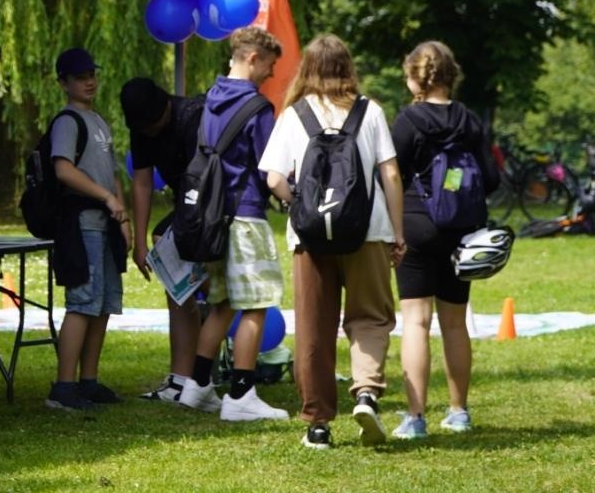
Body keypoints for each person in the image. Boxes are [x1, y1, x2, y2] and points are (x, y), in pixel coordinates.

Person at [259, 33, 405, 449]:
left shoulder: (294, 115)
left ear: (307, 68)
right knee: (370, 317)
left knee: (313, 328)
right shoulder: (370, 112)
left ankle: (318, 424)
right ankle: (365, 392)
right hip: (368, 231)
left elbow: (273, 178)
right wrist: (398, 231)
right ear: (348, 68)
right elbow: (390, 174)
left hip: (311, 237)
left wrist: (298, 205)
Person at [177, 27, 290, 422]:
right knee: (257, 303)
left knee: (222, 304)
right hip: (245, 214)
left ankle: (198, 385)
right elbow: (268, 166)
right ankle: (241, 393)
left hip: (213, 217)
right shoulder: (258, 108)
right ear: (253, 58)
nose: (271, 75)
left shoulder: (211, 98)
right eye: (270, 66)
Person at [389, 40, 501, 440]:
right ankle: (458, 411)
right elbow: (490, 178)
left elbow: (391, 176)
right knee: (455, 323)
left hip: (417, 225)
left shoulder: (408, 121)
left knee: (416, 322)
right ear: (450, 74)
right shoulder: (470, 120)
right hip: (462, 230)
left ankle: (415, 417)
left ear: (416, 77)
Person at [46, 47, 129, 411]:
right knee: (82, 303)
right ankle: (63, 387)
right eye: (80, 77)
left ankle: (89, 381)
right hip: (82, 225)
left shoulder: (98, 121)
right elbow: (63, 169)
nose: (89, 81)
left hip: (106, 224)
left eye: (91, 74)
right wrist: (105, 199)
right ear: (64, 83)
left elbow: (113, 174)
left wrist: (121, 213)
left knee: (104, 303)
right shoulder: (67, 121)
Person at [120, 76, 206, 402]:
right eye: (145, 130)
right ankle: (180, 380)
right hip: (185, 208)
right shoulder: (141, 128)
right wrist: (140, 243)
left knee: (218, 291)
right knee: (175, 282)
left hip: (209, 204)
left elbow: (207, 177)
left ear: (166, 106)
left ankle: (222, 365)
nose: (151, 134)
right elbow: (142, 183)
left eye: (155, 126)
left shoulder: (193, 117)